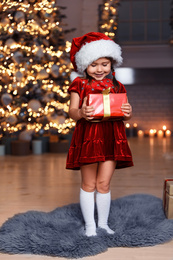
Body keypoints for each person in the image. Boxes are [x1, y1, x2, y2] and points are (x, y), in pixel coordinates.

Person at [66, 32, 133, 237]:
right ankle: (90, 226)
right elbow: (72, 112)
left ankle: (102, 224)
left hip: (112, 136)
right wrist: (81, 113)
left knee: (104, 183)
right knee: (89, 183)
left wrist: (128, 113)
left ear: (111, 64)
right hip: (89, 137)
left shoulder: (117, 86)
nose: (99, 69)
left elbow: (124, 113)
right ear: (85, 65)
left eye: (104, 64)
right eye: (93, 64)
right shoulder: (79, 84)